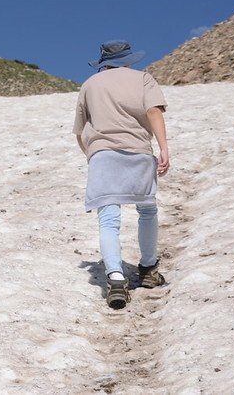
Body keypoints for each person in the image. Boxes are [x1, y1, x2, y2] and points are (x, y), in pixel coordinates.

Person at [73, 40, 170, 309]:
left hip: (102, 155)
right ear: (128, 60)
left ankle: (115, 278)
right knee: (147, 210)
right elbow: (153, 112)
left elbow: (80, 131)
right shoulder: (143, 79)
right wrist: (163, 148)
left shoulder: (90, 85)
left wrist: (93, 155)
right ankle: (149, 269)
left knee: (108, 218)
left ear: (103, 62)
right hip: (138, 151)